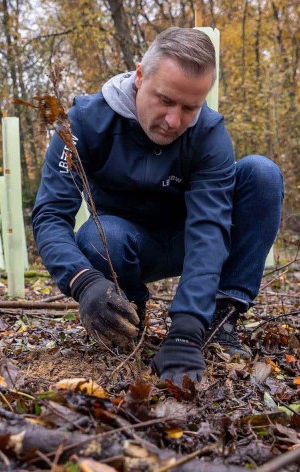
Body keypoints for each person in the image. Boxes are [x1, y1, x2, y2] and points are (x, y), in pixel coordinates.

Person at [31, 27, 284, 386]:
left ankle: (219, 315)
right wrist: (82, 281)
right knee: (99, 238)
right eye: (165, 100)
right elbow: (50, 214)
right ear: (139, 76)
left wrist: (186, 328)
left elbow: (209, 227)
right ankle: (125, 313)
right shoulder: (84, 123)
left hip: (188, 238)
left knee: (261, 174)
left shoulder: (209, 133)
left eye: (189, 108)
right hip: (125, 245)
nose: (174, 121)